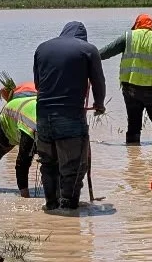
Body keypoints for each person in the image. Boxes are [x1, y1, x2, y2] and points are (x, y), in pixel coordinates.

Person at [32, 21, 107, 212]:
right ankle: (69, 208)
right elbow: (98, 82)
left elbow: (38, 84)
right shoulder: (88, 50)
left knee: (48, 164)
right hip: (70, 118)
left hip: (43, 116)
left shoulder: (42, 48)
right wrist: (99, 104)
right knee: (74, 168)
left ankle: (50, 205)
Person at [95, 12, 152, 145]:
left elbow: (106, 52)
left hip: (130, 89)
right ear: (151, 26)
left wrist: (89, 57)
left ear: (136, 24)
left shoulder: (127, 37)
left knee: (133, 123)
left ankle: (133, 153)